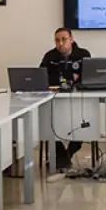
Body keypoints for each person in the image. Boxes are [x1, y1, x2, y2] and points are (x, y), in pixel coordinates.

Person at [40, 27, 91, 167]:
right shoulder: (50, 56)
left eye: (64, 39)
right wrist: (70, 77)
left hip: (79, 101)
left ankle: (66, 156)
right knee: (48, 123)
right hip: (56, 101)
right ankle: (62, 156)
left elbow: (87, 77)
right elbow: (42, 77)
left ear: (72, 40)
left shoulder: (83, 54)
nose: (60, 43)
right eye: (57, 40)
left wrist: (67, 78)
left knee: (83, 124)